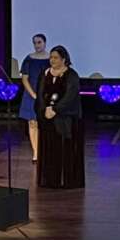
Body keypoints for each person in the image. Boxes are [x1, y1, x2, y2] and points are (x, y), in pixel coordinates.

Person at [35, 45, 84, 188]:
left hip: (65, 119)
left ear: (64, 59)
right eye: (51, 57)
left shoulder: (71, 75)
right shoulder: (45, 74)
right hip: (47, 119)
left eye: (55, 58)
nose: (52, 60)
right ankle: (49, 180)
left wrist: (55, 109)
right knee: (49, 148)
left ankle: (66, 181)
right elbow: (40, 94)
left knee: (65, 150)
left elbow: (70, 96)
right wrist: (44, 109)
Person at [19, 33, 50, 163]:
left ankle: (47, 151)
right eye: (35, 43)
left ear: (44, 43)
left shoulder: (51, 58)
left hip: (47, 95)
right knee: (32, 123)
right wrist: (33, 94)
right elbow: (25, 79)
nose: (37, 45)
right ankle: (36, 153)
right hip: (31, 94)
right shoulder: (29, 59)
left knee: (46, 123)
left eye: (39, 42)